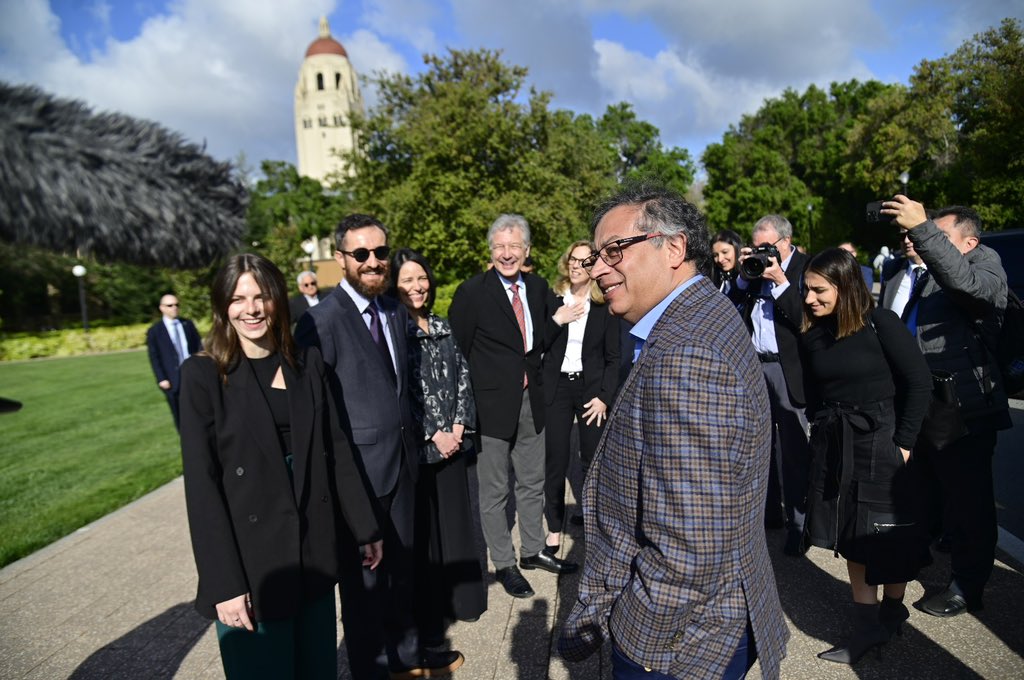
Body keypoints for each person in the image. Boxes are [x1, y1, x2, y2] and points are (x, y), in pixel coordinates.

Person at [558, 182, 789, 679]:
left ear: (675, 248)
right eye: (597, 255)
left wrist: (638, 632)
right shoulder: (698, 312)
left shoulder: (686, 353)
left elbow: (690, 548)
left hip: (681, 646)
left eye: (614, 250)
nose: (598, 269)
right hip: (708, 624)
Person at [178, 253, 382, 679]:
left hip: (313, 547)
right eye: (238, 298)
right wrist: (225, 584)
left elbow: (337, 448)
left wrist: (365, 527)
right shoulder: (203, 375)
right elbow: (202, 488)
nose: (251, 309)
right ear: (222, 306)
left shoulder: (307, 364)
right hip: (254, 564)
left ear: (278, 301)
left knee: (317, 669)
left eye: (261, 296)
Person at [296, 214, 463, 680]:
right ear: (341, 259)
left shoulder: (392, 310)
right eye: (362, 254)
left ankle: (407, 662)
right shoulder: (319, 322)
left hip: (403, 469)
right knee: (365, 588)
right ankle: (371, 670)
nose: (373, 262)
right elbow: (317, 416)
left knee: (403, 576)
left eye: (380, 252)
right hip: (357, 479)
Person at [879, 198, 1011, 618]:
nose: (921, 238)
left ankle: (967, 586)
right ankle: (917, 562)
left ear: (968, 242)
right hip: (920, 403)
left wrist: (923, 230)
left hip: (963, 406)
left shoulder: (985, 265)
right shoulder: (914, 273)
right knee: (920, 493)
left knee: (968, 501)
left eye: (938, 233)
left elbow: (968, 288)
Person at [800, 248, 932, 665]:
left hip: (883, 436)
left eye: (818, 290)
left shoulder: (881, 323)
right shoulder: (814, 333)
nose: (809, 298)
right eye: (806, 289)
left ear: (845, 286)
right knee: (854, 536)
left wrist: (906, 441)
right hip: (838, 441)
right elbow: (813, 393)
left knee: (889, 533)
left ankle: (893, 609)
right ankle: (867, 627)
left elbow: (919, 381)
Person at [449, 214, 580, 600]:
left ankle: (533, 551)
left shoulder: (537, 287)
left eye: (514, 247)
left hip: (531, 402)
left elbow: (540, 340)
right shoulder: (471, 293)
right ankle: (504, 564)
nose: (507, 254)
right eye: (499, 247)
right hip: (490, 407)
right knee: (493, 492)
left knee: (532, 481)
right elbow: (459, 352)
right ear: (491, 251)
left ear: (527, 251)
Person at [390, 247, 487, 641]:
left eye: (422, 277)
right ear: (395, 285)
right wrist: (436, 432)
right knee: (428, 533)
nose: (417, 286)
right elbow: (405, 392)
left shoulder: (441, 324)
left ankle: (465, 600)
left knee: (459, 525)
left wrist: (460, 425)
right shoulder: (396, 332)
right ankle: (436, 607)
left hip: (455, 443)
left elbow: (463, 376)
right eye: (408, 279)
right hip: (424, 448)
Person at [731, 215, 812, 555]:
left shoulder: (807, 268)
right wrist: (743, 271)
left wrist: (779, 279)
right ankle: (768, 516)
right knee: (759, 449)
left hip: (787, 370)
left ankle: (800, 525)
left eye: (767, 247)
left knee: (794, 452)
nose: (762, 253)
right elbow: (734, 304)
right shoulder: (754, 270)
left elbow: (805, 319)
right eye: (756, 246)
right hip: (754, 366)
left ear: (785, 242)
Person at [542, 240, 620, 551]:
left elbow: (614, 357)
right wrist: (556, 319)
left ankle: (593, 516)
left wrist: (604, 396)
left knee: (592, 460)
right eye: (573, 259)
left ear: (593, 268)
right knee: (556, 461)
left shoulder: (603, 307)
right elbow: (538, 345)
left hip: (590, 391)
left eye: (585, 262)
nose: (577, 265)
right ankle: (555, 528)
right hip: (557, 388)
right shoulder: (552, 299)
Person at [146, 293, 201, 430]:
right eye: (170, 305)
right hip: (171, 379)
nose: (174, 308)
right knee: (179, 414)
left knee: (199, 408)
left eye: (177, 305)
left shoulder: (187, 324)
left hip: (193, 375)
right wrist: (162, 378)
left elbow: (199, 348)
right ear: (162, 308)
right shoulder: (155, 331)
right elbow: (154, 357)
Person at [711, 229, 744, 294]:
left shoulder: (749, 280)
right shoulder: (713, 280)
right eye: (715, 255)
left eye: (725, 252)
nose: (720, 259)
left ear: (737, 249)